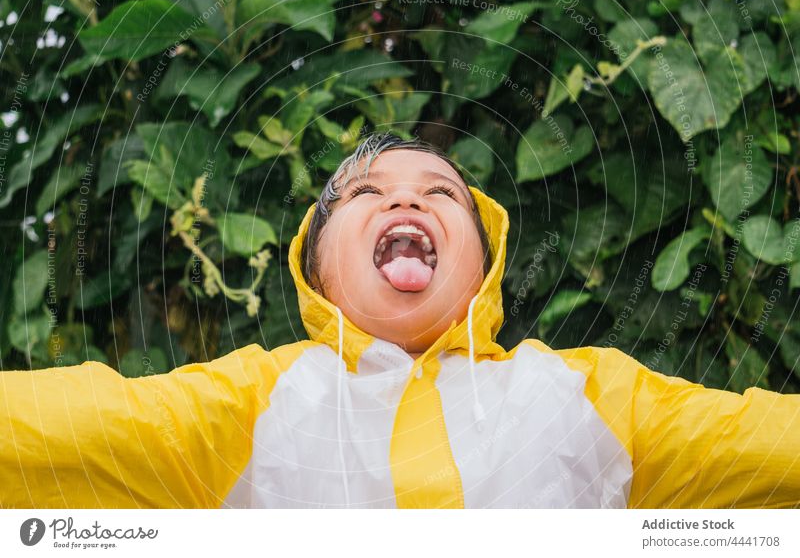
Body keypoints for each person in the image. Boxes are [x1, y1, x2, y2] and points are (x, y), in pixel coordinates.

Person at [1, 133, 798, 509]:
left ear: (482, 269)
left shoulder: (587, 391)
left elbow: (759, 447)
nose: (406, 197)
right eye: (366, 192)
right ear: (317, 266)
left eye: (443, 192)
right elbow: (70, 426)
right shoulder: (252, 397)